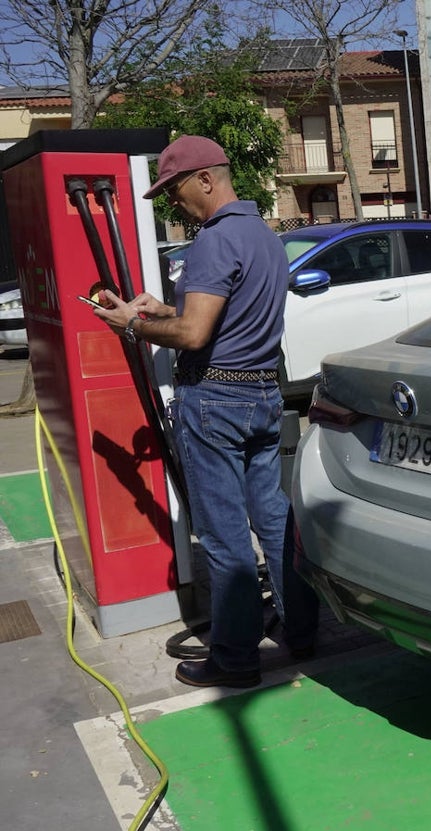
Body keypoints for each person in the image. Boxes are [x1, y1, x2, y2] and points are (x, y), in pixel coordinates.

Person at [93, 134, 318, 688]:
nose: (174, 203)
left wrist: (134, 325)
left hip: (215, 400)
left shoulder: (214, 241)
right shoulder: (264, 237)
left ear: (206, 179)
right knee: (273, 516)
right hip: (261, 395)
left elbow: (195, 333)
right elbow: (222, 316)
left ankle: (235, 660)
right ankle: (304, 631)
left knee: (222, 538)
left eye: (174, 190)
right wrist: (161, 306)